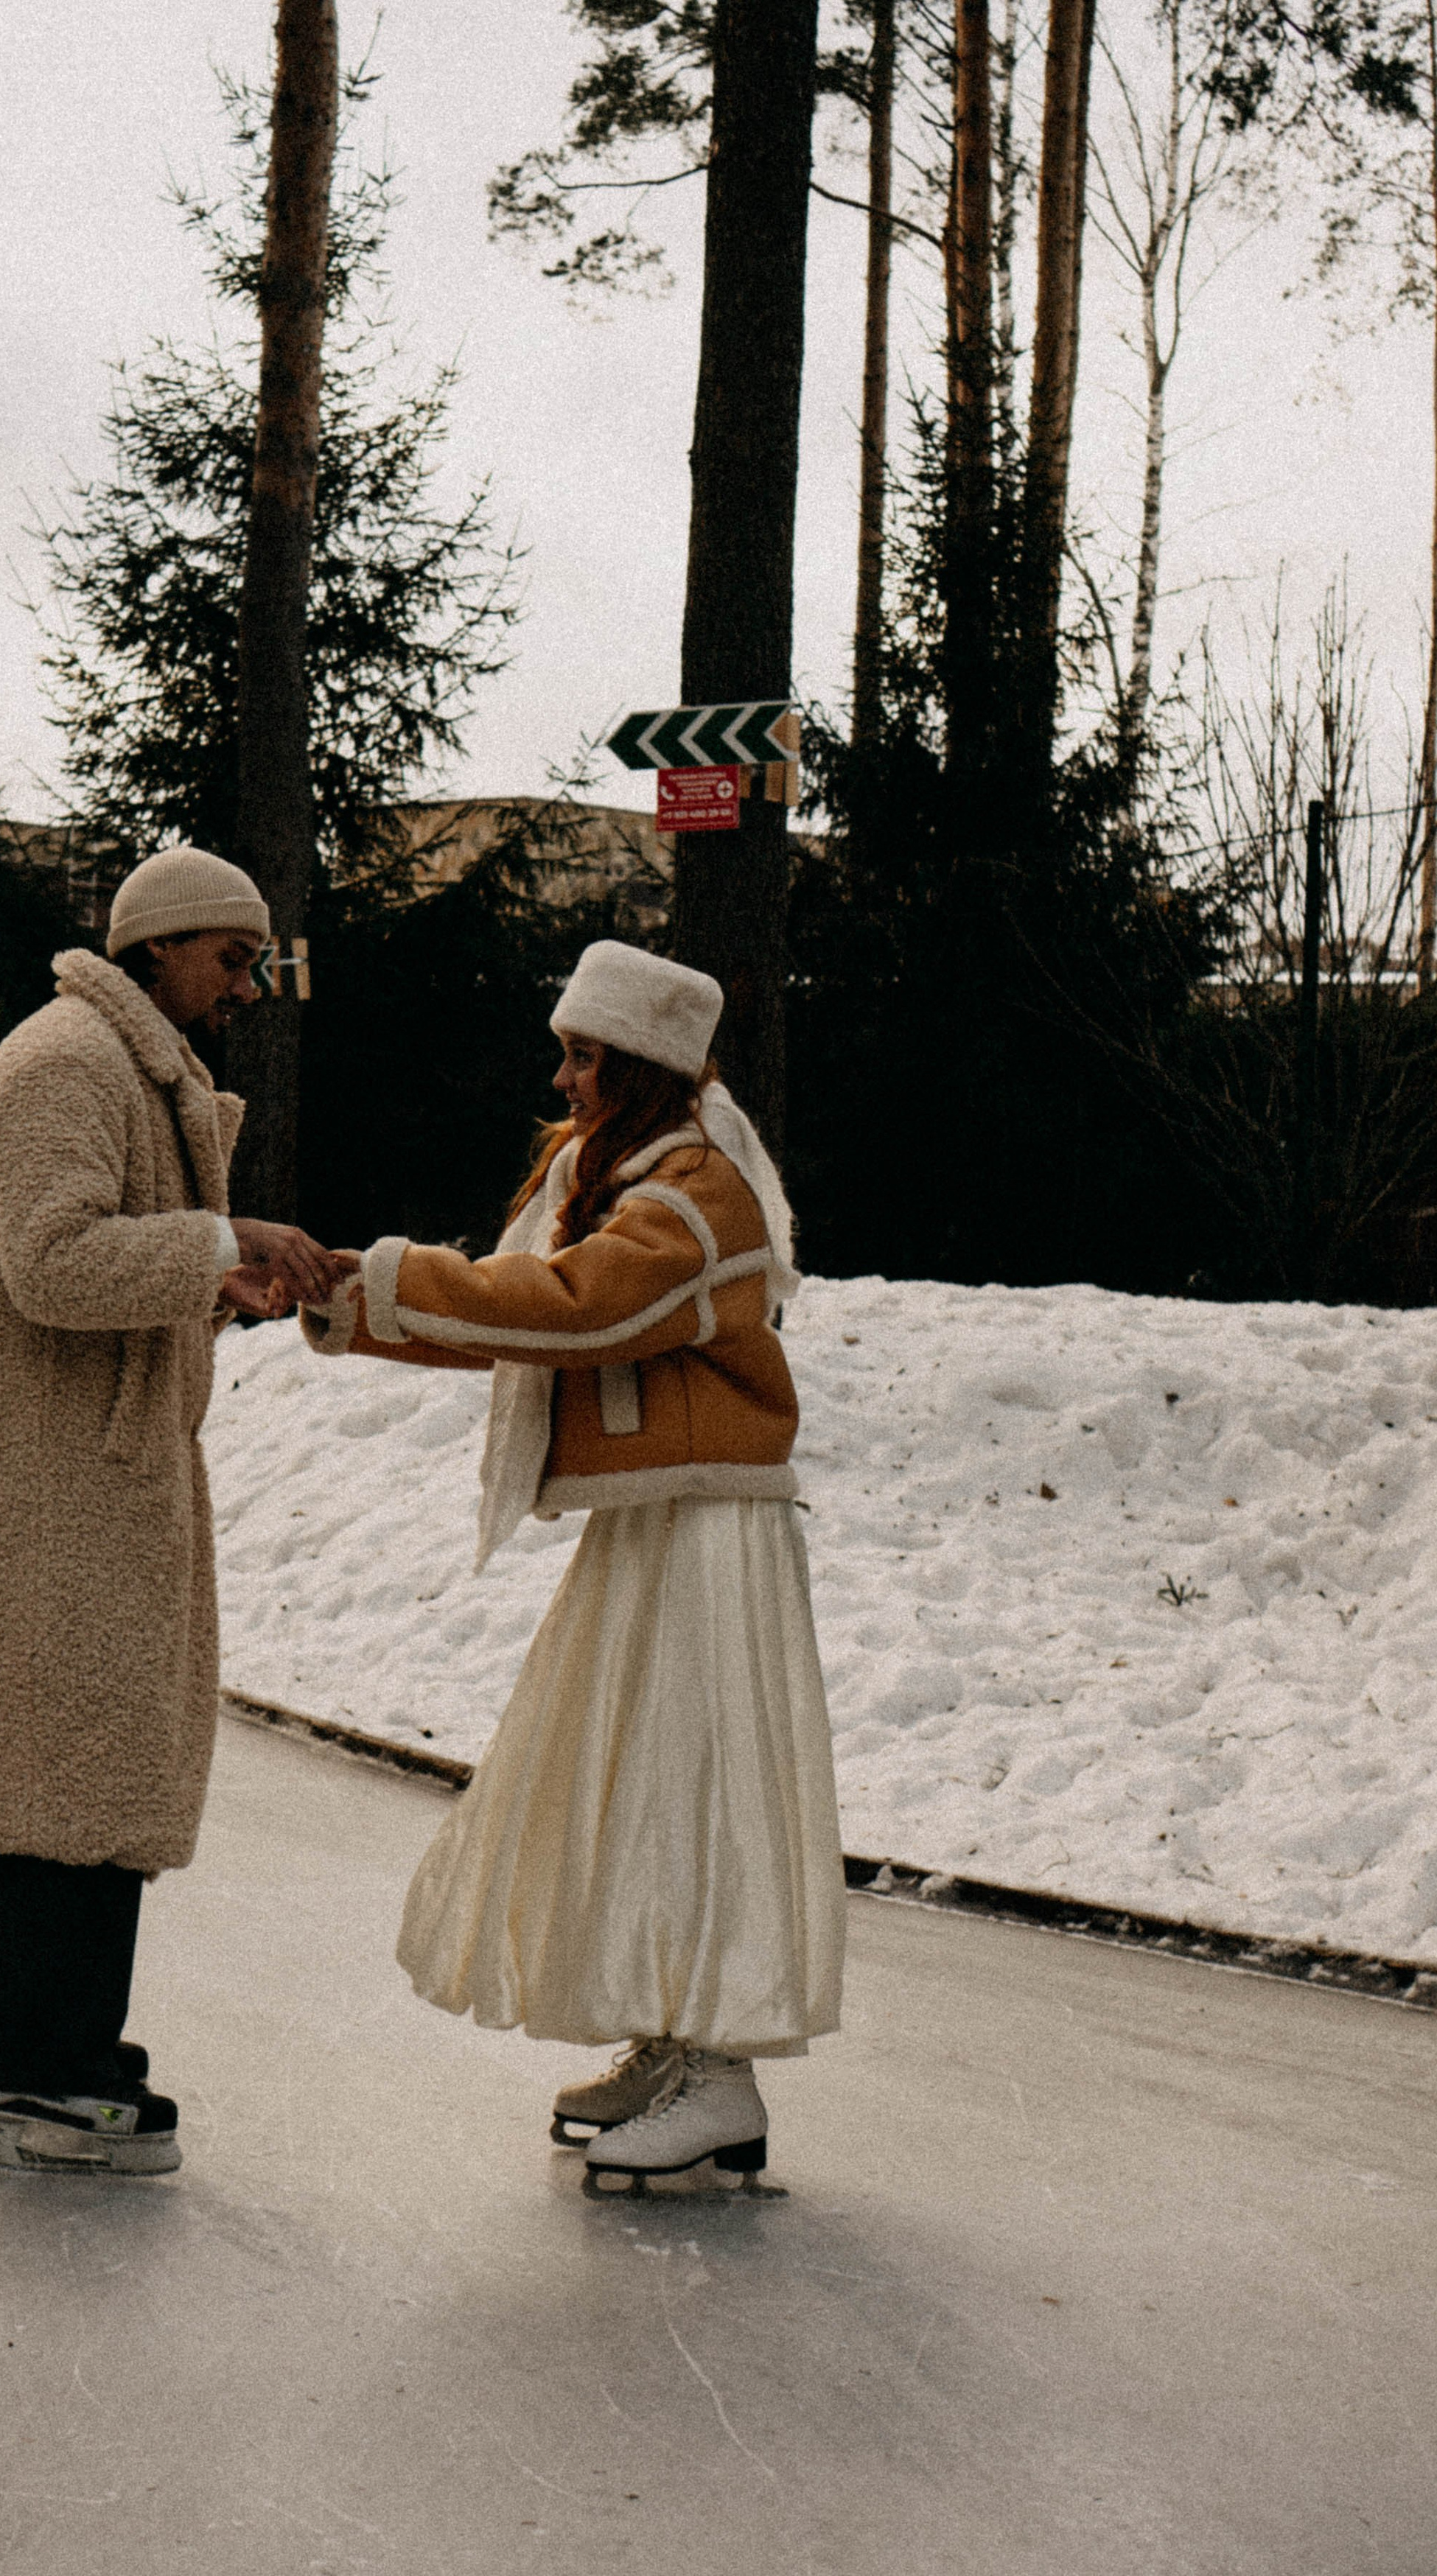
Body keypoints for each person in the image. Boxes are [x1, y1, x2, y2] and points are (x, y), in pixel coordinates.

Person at [304, 939, 843, 2194]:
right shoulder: (644, 1171)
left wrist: (369, 1285)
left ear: (645, 1065)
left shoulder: (700, 1196)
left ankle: (724, 2071)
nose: (562, 1076)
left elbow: (571, 1308)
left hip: (710, 1529)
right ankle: (678, 2039)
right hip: (663, 1519)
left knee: (698, 1782)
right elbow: (535, 1297)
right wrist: (362, 1303)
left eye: (584, 1053)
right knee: (646, 1774)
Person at [0, 845, 331, 2177]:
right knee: (80, 1765)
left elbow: (85, 1255)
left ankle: (12, 2037)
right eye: (233, 959)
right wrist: (222, 1248)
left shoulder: (115, 1062)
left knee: (60, 1768)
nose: (248, 986)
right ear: (158, 947)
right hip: (54, 1481)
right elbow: (52, 1262)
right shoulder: (67, 1063)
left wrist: (215, 1274)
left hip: (80, 1472)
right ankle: (38, 2069)